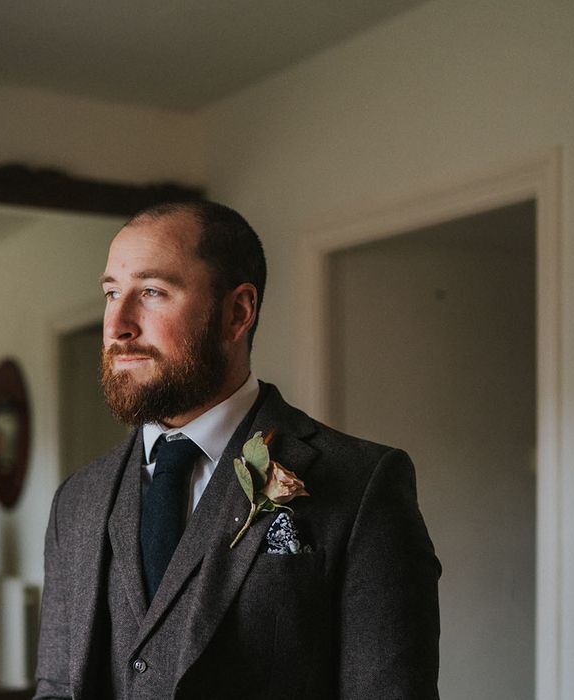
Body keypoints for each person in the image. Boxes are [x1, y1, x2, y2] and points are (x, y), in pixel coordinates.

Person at [34, 201, 441, 699]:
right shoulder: (76, 500)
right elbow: (56, 689)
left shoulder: (363, 484)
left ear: (237, 313)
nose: (117, 324)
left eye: (152, 292)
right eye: (112, 293)